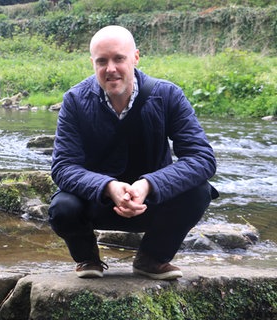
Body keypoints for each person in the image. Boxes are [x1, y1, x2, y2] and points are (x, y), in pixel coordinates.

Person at [48, 25, 219, 280]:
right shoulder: (74, 100)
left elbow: (202, 158)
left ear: (135, 57)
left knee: (200, 191)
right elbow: (63, 167)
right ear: (92, 63)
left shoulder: (168, 95)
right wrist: (108, 187)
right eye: (102, 61)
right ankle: (88, 259)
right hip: (98, 203)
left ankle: (151, 259)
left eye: (119, 58)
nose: (111, 69)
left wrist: (148, 184)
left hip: (153, 203)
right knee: (62, 206)